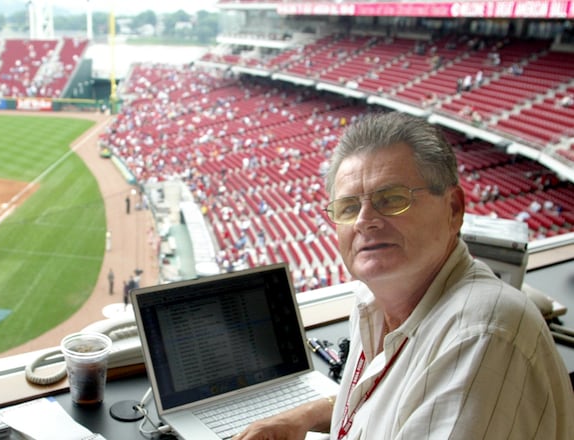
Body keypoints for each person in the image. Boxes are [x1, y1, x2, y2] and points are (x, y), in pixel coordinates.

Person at [235, 112, 573, 439]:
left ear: (453, 209)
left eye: (392, 199)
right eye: (349, 207)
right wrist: (303, 417)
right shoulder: (376, 302)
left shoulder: (480, 338)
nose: (365, 220)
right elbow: (395, 402)